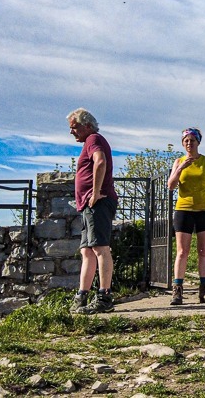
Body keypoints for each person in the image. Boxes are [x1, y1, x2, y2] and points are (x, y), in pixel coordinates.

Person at [67, 108, 118, 314]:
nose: (72, 132)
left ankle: (104, 296)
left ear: (87, 125)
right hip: (89, 205)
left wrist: (95, 192)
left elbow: (100, 161)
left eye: (75, 127)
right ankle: (82, 296)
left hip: (98, 203)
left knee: (100, 248)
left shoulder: (93, 139)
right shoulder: (91, 140)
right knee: (87, 251)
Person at [166, 127, 205, 305]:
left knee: (204, 251)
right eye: (186, 141)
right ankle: (177, 291)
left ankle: (204, 290)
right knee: (182, 252)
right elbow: (171, 185)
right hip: (184, 209)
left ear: (198, 142)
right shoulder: (179, 161)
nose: (189, 143)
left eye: (192, 140)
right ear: (183, 144)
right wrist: (180, 168)